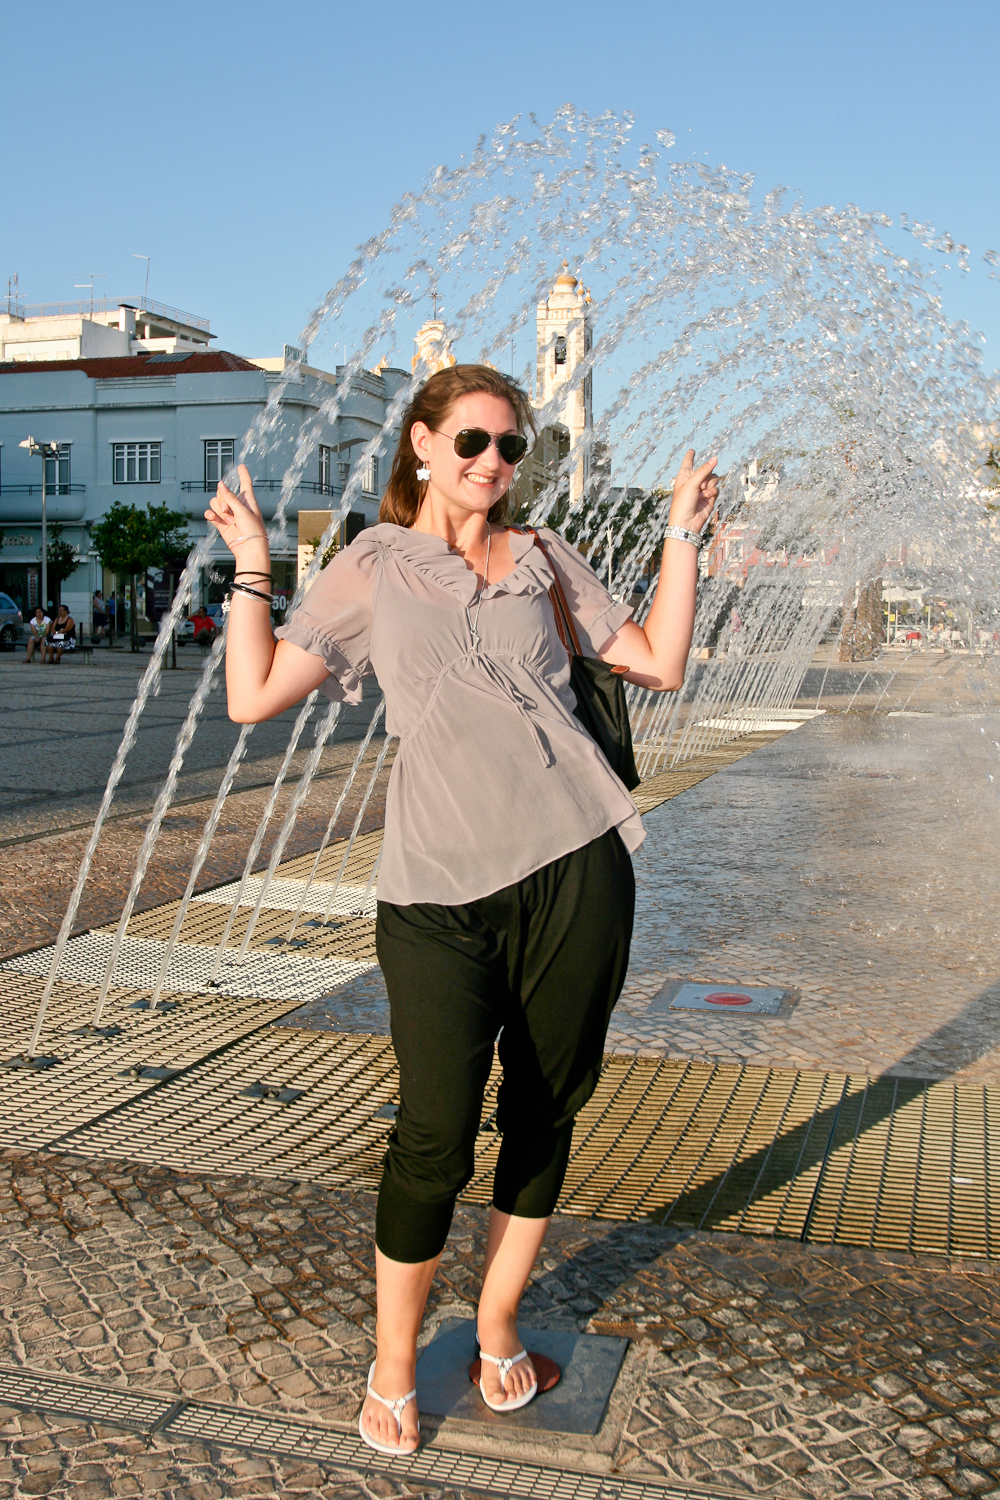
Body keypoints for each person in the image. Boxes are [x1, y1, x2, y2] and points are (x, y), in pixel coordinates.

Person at [205, 364, 717, 1456]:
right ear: (424, 446)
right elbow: (252, 698)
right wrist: (253, 567)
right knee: (432, 1128)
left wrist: (681, 535)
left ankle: (494, 1326)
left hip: (577, 867)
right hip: (435, 888)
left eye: (511, 447)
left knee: (543, 1109)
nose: (494, 463)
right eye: (475, 442)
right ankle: (392, 1363)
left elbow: (660, 664)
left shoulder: (542, 560)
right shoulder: (373, 565)